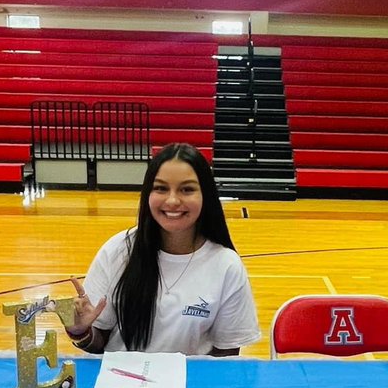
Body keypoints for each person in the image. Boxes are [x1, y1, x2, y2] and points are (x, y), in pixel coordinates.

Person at [66, 143, 260, 355]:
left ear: (205, 195)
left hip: (190, 385)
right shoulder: (118, 251)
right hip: (123, 384)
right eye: (161, 188)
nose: (173, 200)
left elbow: (227, 352)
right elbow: (99, 343)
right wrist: (81, 332)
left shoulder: (226, 265)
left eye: (187, 189)